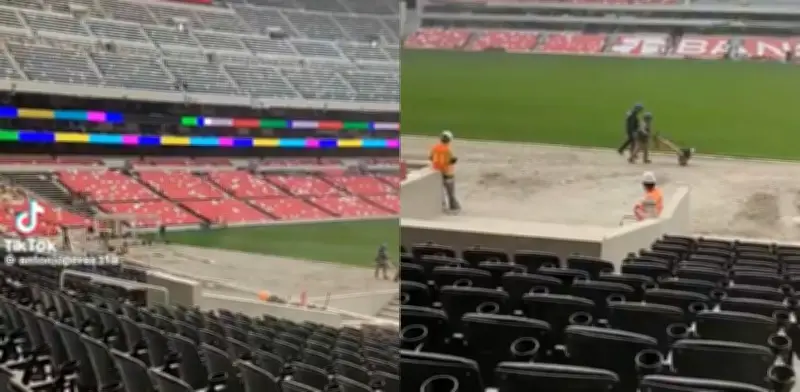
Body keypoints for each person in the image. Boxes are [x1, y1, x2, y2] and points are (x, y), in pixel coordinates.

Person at [430, 130, 461, 213]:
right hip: (447, 173)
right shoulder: (447, 150)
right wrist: (454, 160)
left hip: (436, 172)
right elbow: (450, 161)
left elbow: (431, 157)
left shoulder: (435, 147)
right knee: (450, 193)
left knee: (440, 193)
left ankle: (442, 207)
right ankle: (453, 207)